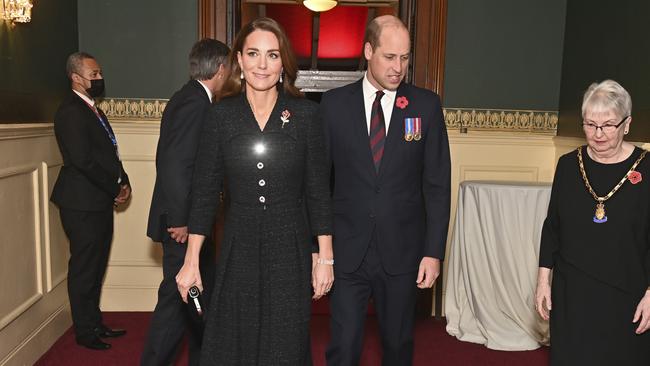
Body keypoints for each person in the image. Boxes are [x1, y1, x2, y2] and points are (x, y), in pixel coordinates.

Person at [175, 17, 333, 365]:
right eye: (254, 54)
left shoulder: (306, 116)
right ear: (240, 61)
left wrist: (324, 257)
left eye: (272, 55)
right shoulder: (221, 116)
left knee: (285, 345)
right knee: (235, 340)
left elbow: (318, 191)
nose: (263, 64)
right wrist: (191, 262)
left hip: (289, 247)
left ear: (283, 63)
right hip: (238, 244)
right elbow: (204, 191)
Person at [321, 15, 451, 366]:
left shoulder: (425, 106)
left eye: (405, 58)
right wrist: (320, 250)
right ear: (368, 51)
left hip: (403, 252)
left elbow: (437, 185)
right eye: (389, 57)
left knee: (397, 347)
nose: (398, 68)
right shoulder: (333, 106)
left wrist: (433, 251)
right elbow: (318, 183)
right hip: (347, 251)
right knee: (343, 348)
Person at [535, 80, 650, 365]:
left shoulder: (647, 168)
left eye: (608, 125)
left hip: (627, 297)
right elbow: (553, 228)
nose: (598, 134)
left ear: (627, 124)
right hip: (572, 295)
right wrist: (542, 281)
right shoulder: (567, 165)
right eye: (589, 124)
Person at [141, 38, 230, 366]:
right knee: (176, 301)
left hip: (194, 220)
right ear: (220, 69)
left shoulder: (190, 98)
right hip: (183, 223)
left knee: (197, 295)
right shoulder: (195, 103)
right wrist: (181, 219)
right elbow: (176, 165)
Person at [51, 52, 131, 350]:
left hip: (98, 201)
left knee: (96, 266)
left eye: (99, 73)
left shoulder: (91, 109)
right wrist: (114, 186)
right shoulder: (71, 111)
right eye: (93, 74)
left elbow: (109, 152)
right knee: (85, 268)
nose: (99, 79)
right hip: (81, 203)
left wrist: (124, 180)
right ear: (75, 77)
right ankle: (85, 332)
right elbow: (82, 161)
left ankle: (95, 323)